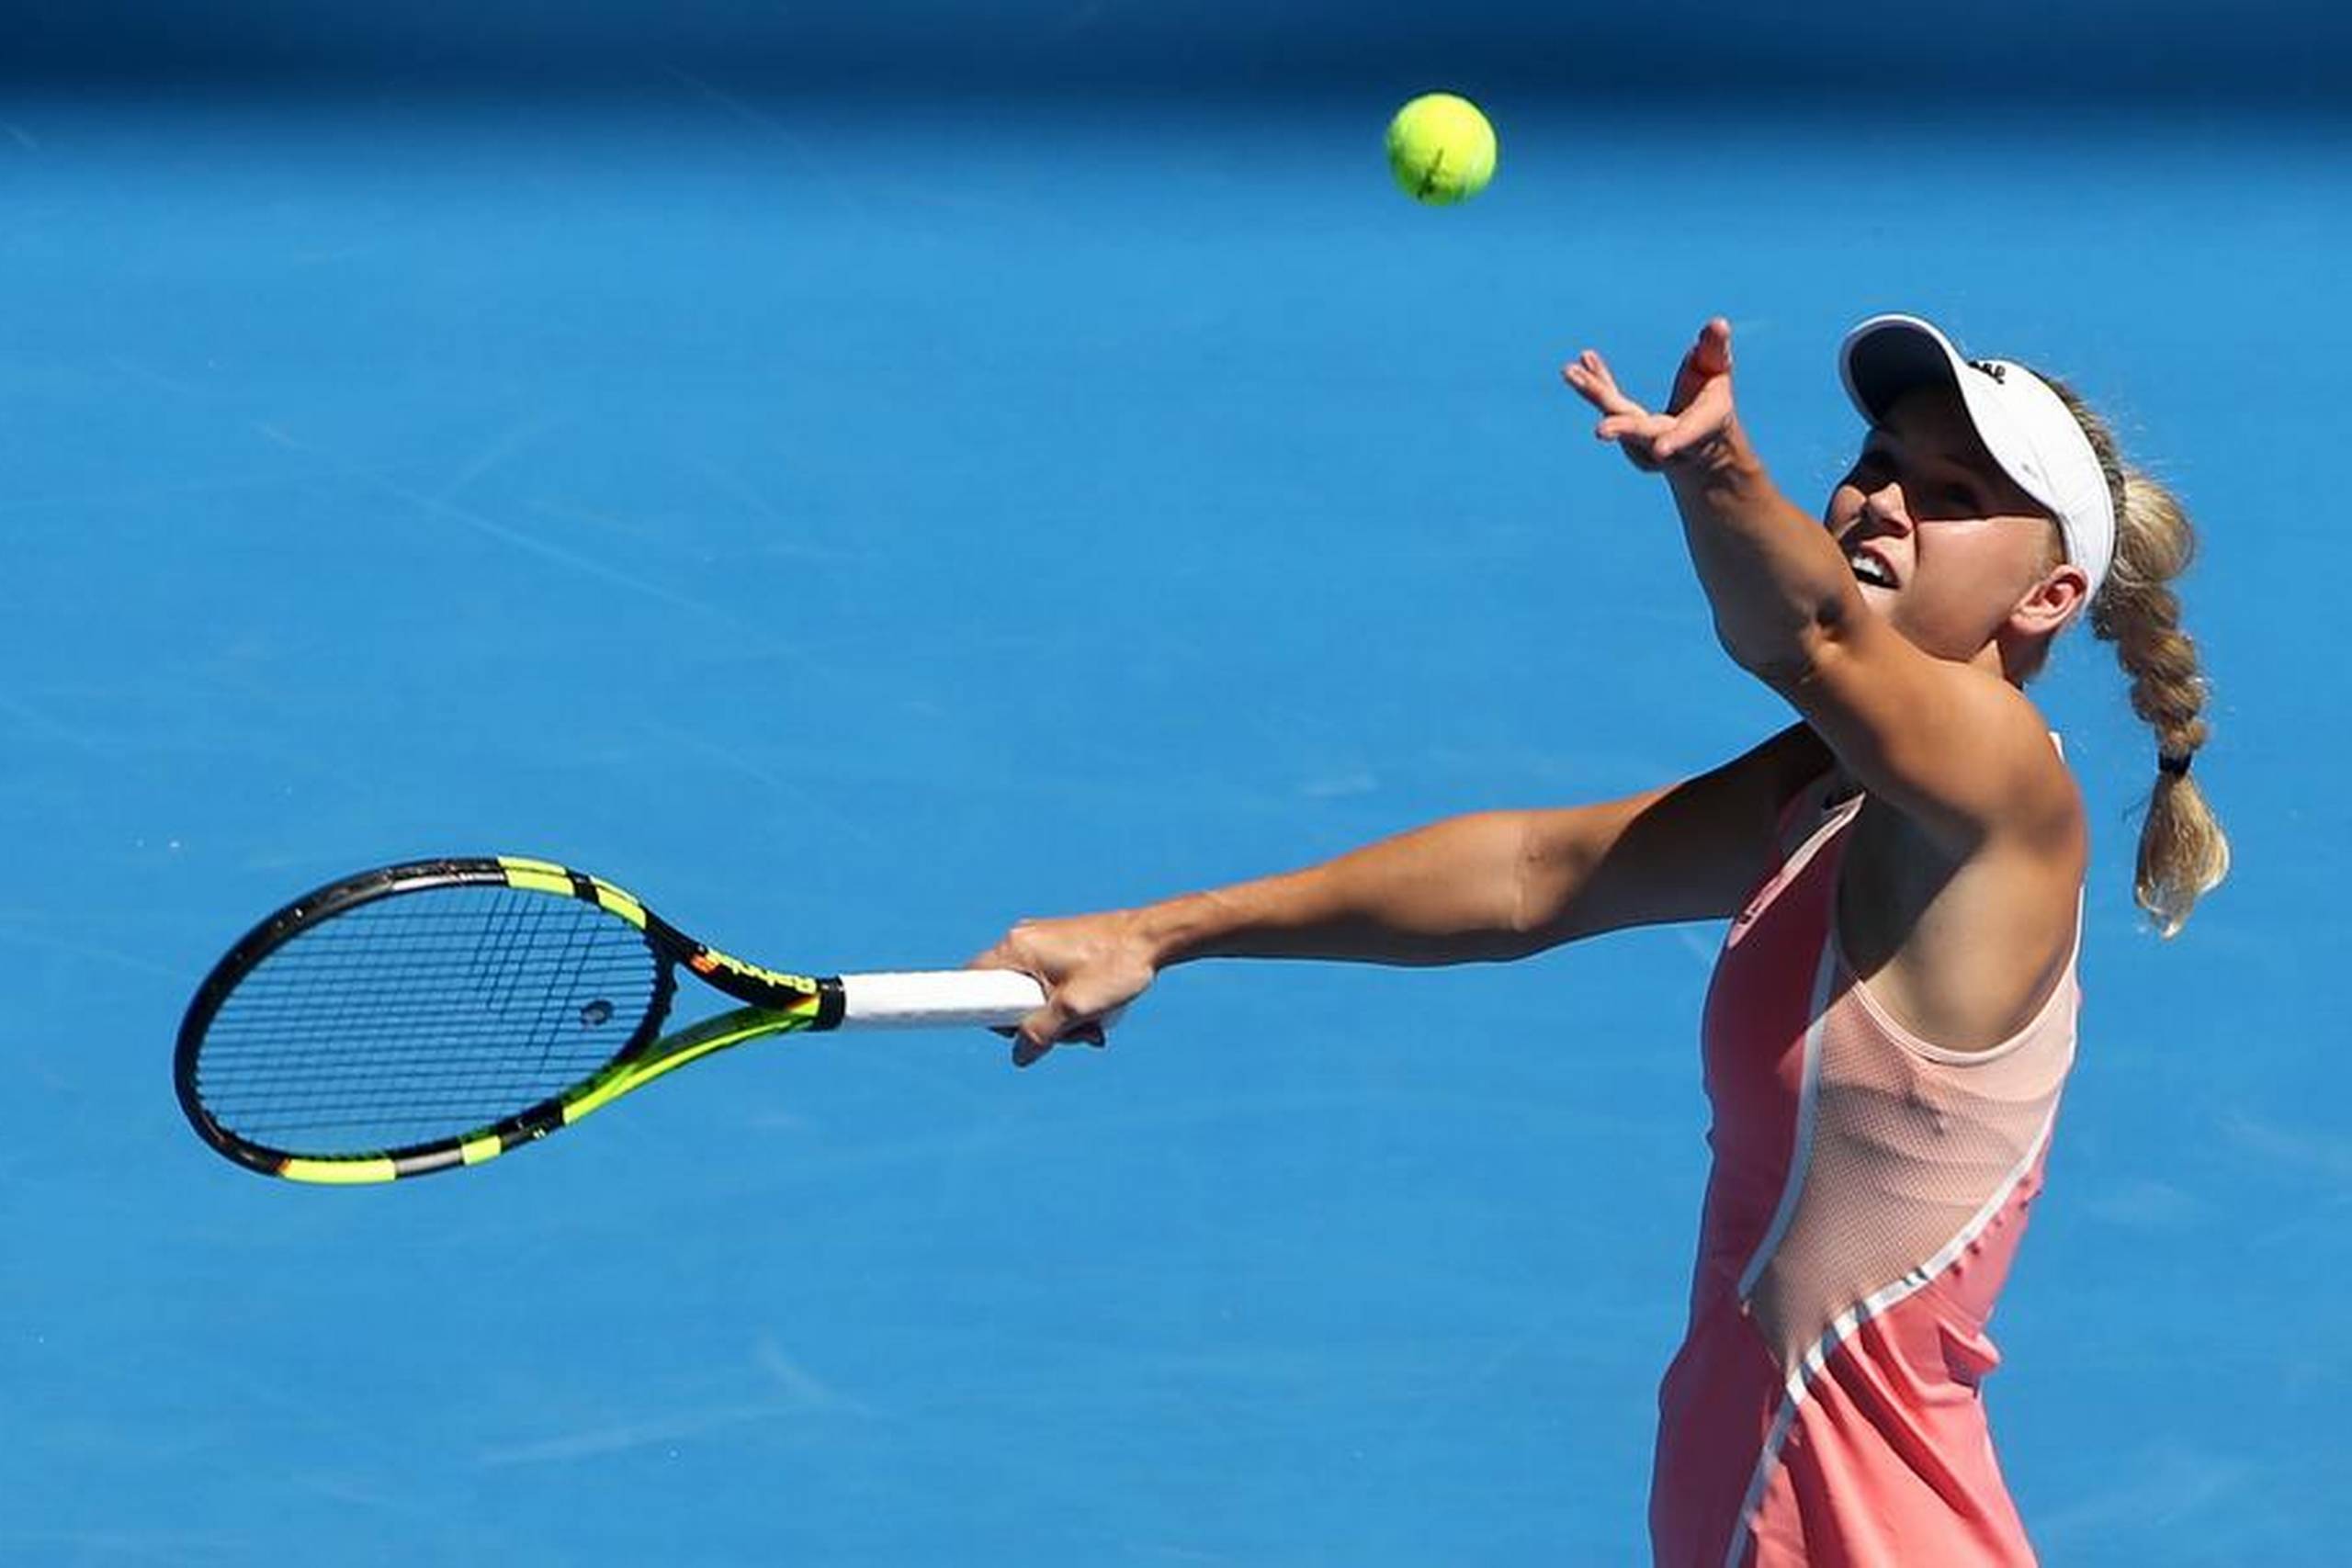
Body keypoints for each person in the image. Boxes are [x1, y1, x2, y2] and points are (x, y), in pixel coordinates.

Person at [969, 314, 2230, 1564]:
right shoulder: (1827, 794)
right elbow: (1535, 875)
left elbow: (1811, 637)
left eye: (1951, 497)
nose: (1886, 503)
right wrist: (1154, 934)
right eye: (1879, 462)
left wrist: (1718, 470)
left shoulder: (2006, 787)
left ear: (2048, 598)